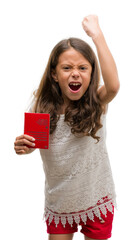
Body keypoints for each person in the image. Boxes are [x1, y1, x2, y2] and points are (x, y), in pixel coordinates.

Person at [14, 15, 120, 240]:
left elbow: (113, 86)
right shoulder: (41, 107)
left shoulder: (96, 102)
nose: (75, 73)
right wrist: (25, 146)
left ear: (91, 74)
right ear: (54, 74)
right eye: (67, 67)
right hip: (60, 200)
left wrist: (97, 36)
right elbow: (35, 144)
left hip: (96, 196)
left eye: (83, 68)